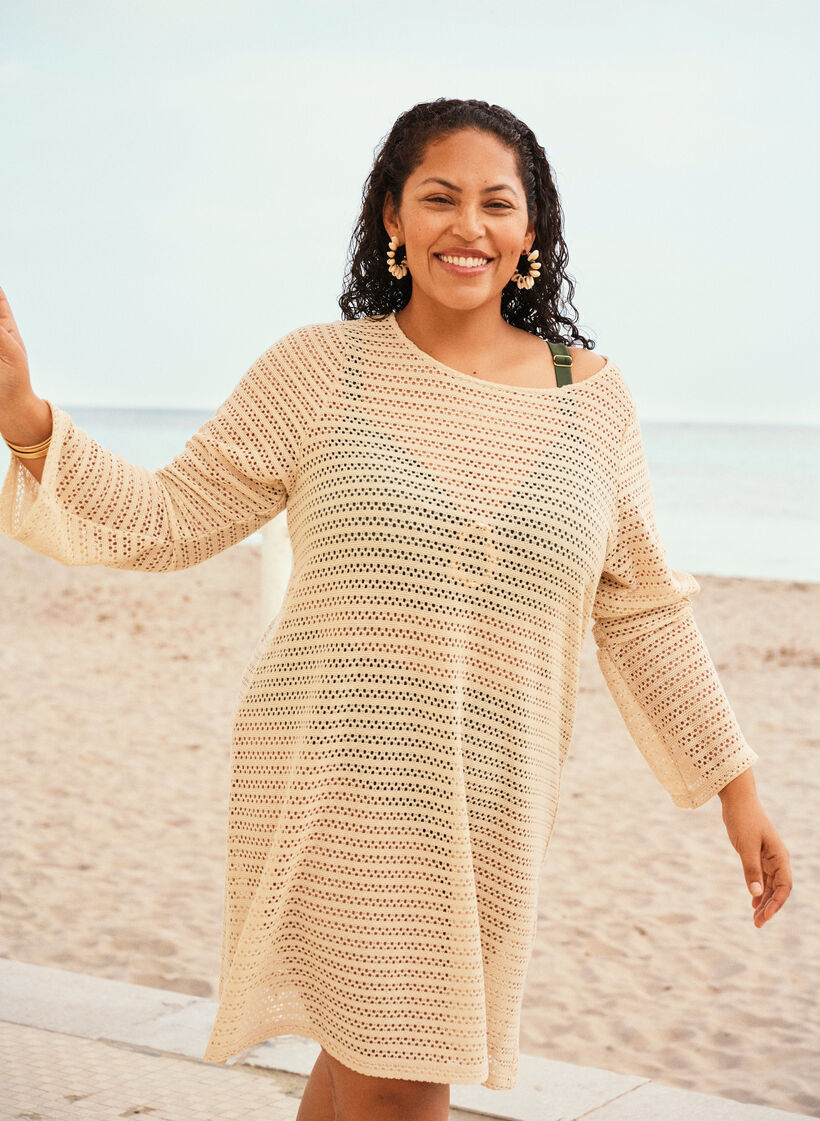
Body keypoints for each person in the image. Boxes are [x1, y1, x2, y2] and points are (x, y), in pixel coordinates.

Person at [0, 97, 792, 1121]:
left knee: (363, 1066)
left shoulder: (592, 397)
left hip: (492, 796)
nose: (469, 225)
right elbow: (167, 516)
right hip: (337, 774)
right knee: (403, 1070)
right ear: (391, 218)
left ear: (532, 234)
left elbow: (640, 607)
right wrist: (26, 418)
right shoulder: (317, 371)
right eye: (439, 197)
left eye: (496, 204)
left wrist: (737, 788)